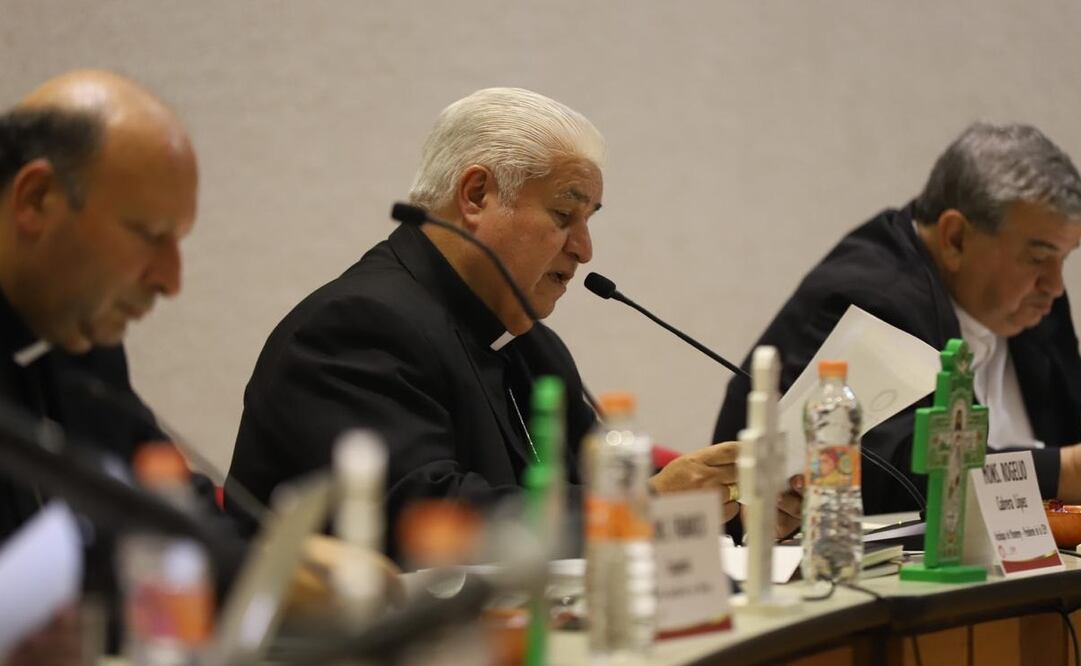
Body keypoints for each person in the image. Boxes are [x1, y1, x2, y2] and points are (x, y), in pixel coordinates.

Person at [227, 88, 802, 556]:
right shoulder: (356, 328)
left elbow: (600, 496)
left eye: (589, 219)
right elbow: (426, 522)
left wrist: (732, 511)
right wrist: (645, 507)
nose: (584, 249)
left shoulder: (531, 347)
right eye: (564, 214)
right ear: (476, 195)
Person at [715, 122, 1081, 515]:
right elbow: (887, 479)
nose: (1055, 284)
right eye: (1038, 258)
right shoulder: (868, 298)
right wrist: (1063, 472)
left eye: (1064, 258)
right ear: (955, 238)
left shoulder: (1034, 305)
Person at [0, 69, 198, 664]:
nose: (170, 280)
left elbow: (162, 497)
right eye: (149, 234)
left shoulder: (79, 341)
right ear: (36, 200)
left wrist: (282, 560)